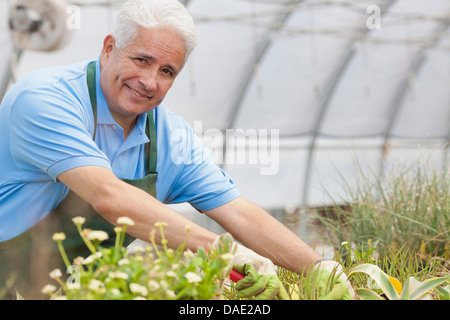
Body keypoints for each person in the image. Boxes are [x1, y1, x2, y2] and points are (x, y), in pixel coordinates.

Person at [0, 0, 354, 300]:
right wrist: (224, 252)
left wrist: (319, 268)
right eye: (141, 60)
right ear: (109, 48)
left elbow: (238, 212)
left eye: (167, 71)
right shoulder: (45, 100)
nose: (150, 81)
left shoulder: (169, 138)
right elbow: (109, 197)